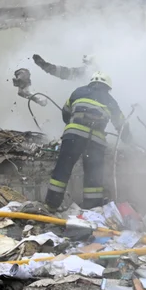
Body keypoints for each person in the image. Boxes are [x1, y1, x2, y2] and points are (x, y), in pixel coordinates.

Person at [44, 72, 130, 210]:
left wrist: (73, 122)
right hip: (95, 142)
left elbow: (66, 112)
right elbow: (121, 124)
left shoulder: (78, 92)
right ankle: (93, 208)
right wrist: (128, 139)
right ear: (108, 87)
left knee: (63, 169)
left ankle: (51, 204)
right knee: (93, 174)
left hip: (73, 136)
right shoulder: (110, 100)